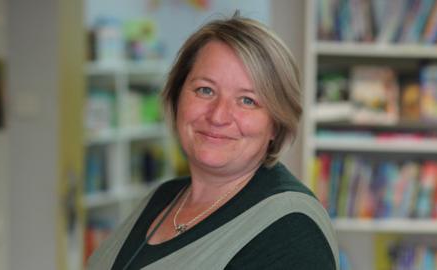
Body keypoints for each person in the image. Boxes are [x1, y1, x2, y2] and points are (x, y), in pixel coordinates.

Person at [87, 13, 339, 270]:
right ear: (177, 98)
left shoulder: (292, 231)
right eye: (205, 90)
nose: (218, 116)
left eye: (247, 100)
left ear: (276, 123)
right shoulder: (162, 198)